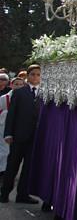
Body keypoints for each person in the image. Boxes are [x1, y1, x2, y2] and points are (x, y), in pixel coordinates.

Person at [0, 65, 42, 204]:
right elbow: (11, 115)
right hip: (19, 136)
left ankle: (22, 194)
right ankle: (5, 193)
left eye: (38, 75)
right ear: (28, 76)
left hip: (35, 138)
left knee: (28, 168)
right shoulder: (19, 92)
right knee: (12, 165)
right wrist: (8, 134)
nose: (35, 77)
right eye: (33, 74)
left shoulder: (44, 94)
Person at [0, 77, 25, 179]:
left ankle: (8, 171)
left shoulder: (25, 98)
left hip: (17, 127)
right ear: (11, 85)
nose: (18, 86)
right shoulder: (4, 98)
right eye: (16, 84)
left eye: (20, 84)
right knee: (4, 149)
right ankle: (2, 171)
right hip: (3, 125)